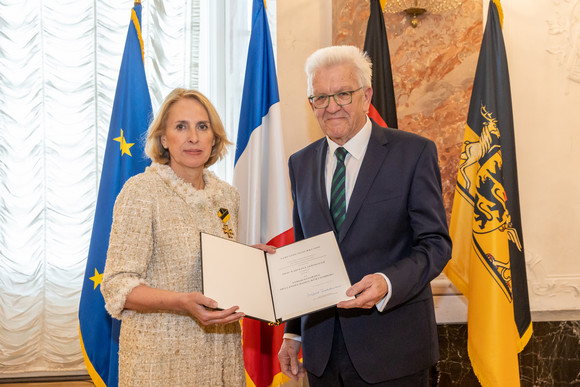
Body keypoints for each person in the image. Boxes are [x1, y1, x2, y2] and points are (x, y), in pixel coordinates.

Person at [278, 45, 452, 386]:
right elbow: (304, 250)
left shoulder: (413, 153)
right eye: (320, 97)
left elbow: (435, 244)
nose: (331, 107)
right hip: (322, 352)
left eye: (342, 93)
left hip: (394, 351)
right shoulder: (301, 163)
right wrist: (294, 334)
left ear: (366, 95)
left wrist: (387, 282)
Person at [101, 88, 273, 386]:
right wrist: (181, 302)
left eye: (202, 127)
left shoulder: (227, 196)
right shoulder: (141, 192)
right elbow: (117, 286)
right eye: (181, 126)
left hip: (221, 359)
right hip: (160, 363)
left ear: (214, 138)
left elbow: (218, 268)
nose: (193, 137)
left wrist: (249, 262)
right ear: (164, 139)